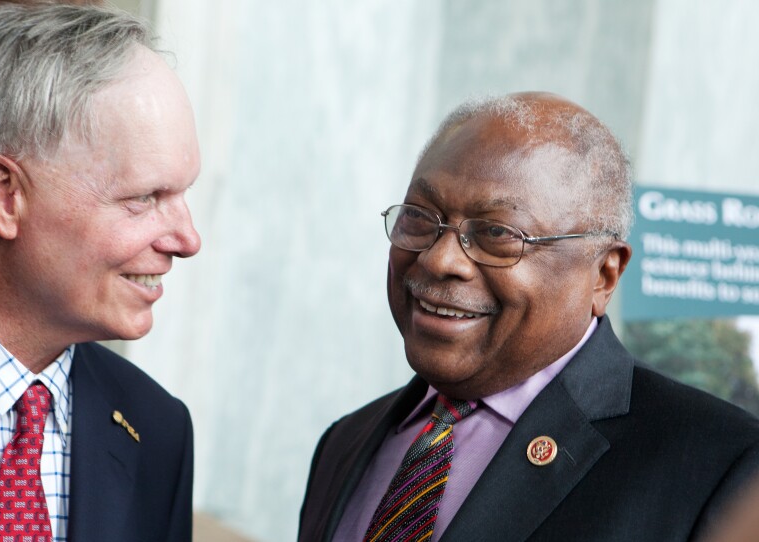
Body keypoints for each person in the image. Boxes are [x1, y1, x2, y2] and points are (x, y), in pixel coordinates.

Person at [299, 92, 759, 542]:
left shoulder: (722, 469)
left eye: (497, 232)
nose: (441, 260)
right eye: (421, 218)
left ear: (603, 274)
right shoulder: (345, 443)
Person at [0, 4, 200, 541]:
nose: (187, 240)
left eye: (182, 194)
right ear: (4, 195)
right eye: (144, 198)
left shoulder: (157, 428)